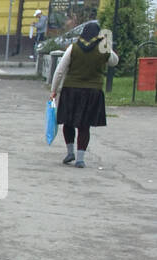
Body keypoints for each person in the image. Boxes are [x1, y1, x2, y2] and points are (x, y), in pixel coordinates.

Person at [50, 20, 118, 169]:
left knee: (68, 122)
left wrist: (54, 90)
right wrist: (106, 43)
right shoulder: (103, 48)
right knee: (84, 125)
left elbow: (60, 70)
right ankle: (80, 159)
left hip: (71, 90)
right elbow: (114, 61)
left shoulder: (73, 48)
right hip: (93, 92)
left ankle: (70, 152)